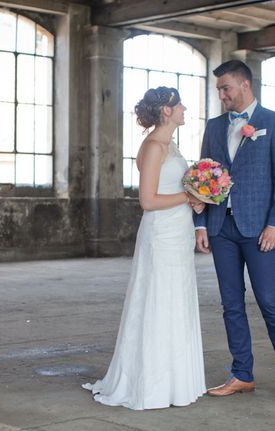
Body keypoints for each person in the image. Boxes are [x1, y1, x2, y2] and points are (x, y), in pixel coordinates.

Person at [83, 87, 207, 410]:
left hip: (178, 233)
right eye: (178, 104)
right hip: (161, 234)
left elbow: (178, 188)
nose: (183, 108)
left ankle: (176, 383)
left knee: (176, 300)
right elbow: (148, 201)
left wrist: (197, 200)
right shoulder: (153, 147)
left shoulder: (172, 145)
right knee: (158, 300)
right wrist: (189, 197)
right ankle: (153, 385)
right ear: (166, 111)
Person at [193, 60, 275, 406]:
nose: (221, 95)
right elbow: (203, 175)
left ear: (245, 85)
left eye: (225, 88)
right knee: (231, 305)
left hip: (260, 230)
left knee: (270, 302)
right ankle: (242, 374)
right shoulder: (214, 127)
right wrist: (200, 224)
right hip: (220, 228)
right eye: (218, 89)